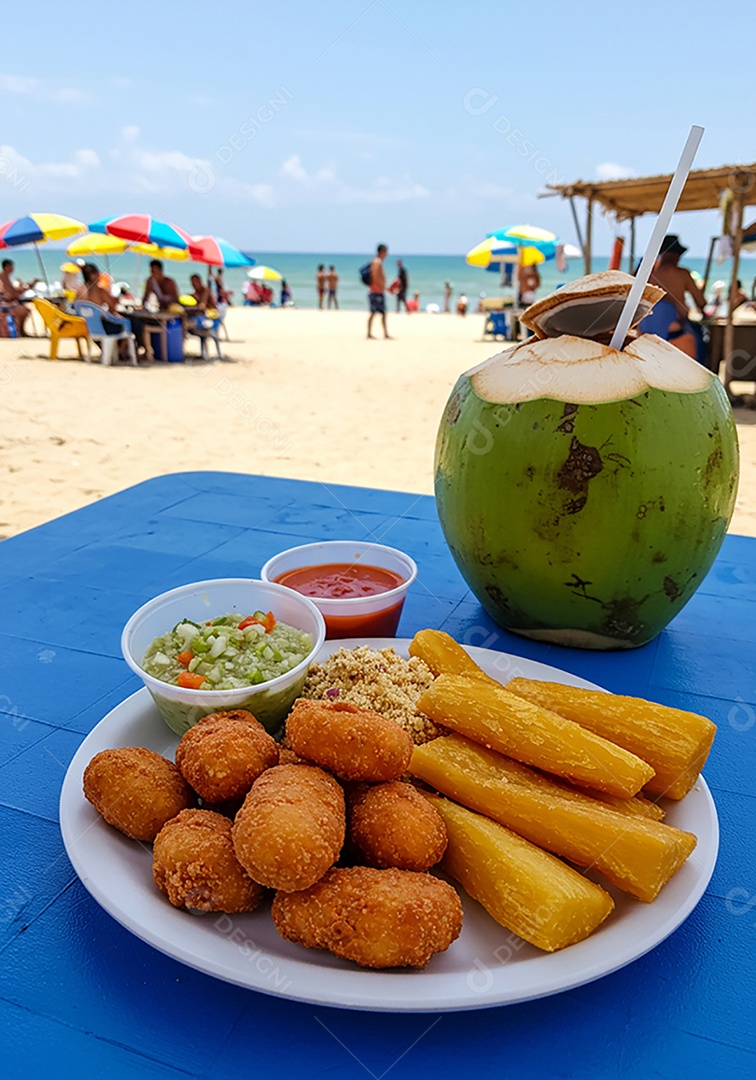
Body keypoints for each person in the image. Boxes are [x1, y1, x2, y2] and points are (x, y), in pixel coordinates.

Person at [638, 235, 706, 360]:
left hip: (645, 326)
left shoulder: (648, 275)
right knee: (701, 338)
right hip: (675, 326)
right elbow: (701, 302)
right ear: (677, 255)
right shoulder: (683, 274)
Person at [0, 259, 37, 336]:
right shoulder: (3, 277)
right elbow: (13, 293)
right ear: (7, 267)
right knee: (24, 311)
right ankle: (21, 331)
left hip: (7, 303)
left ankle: (21, 331)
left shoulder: (5, 276)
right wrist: (26, 287)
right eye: (11, 266)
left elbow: (13, 292)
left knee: (24, 310)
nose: (13, 269)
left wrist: (25, 288)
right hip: (4, 305)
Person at [366, 243, 391, 339]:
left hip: (378, 291)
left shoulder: (377, 262)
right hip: (376, 291)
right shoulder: (377, 262)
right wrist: (384, 286)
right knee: (374, 313)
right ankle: (369, 333)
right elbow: (376, 277)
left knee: (382, 313)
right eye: (385, 252)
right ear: (381, 252)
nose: (386, 255)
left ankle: (385, 333)